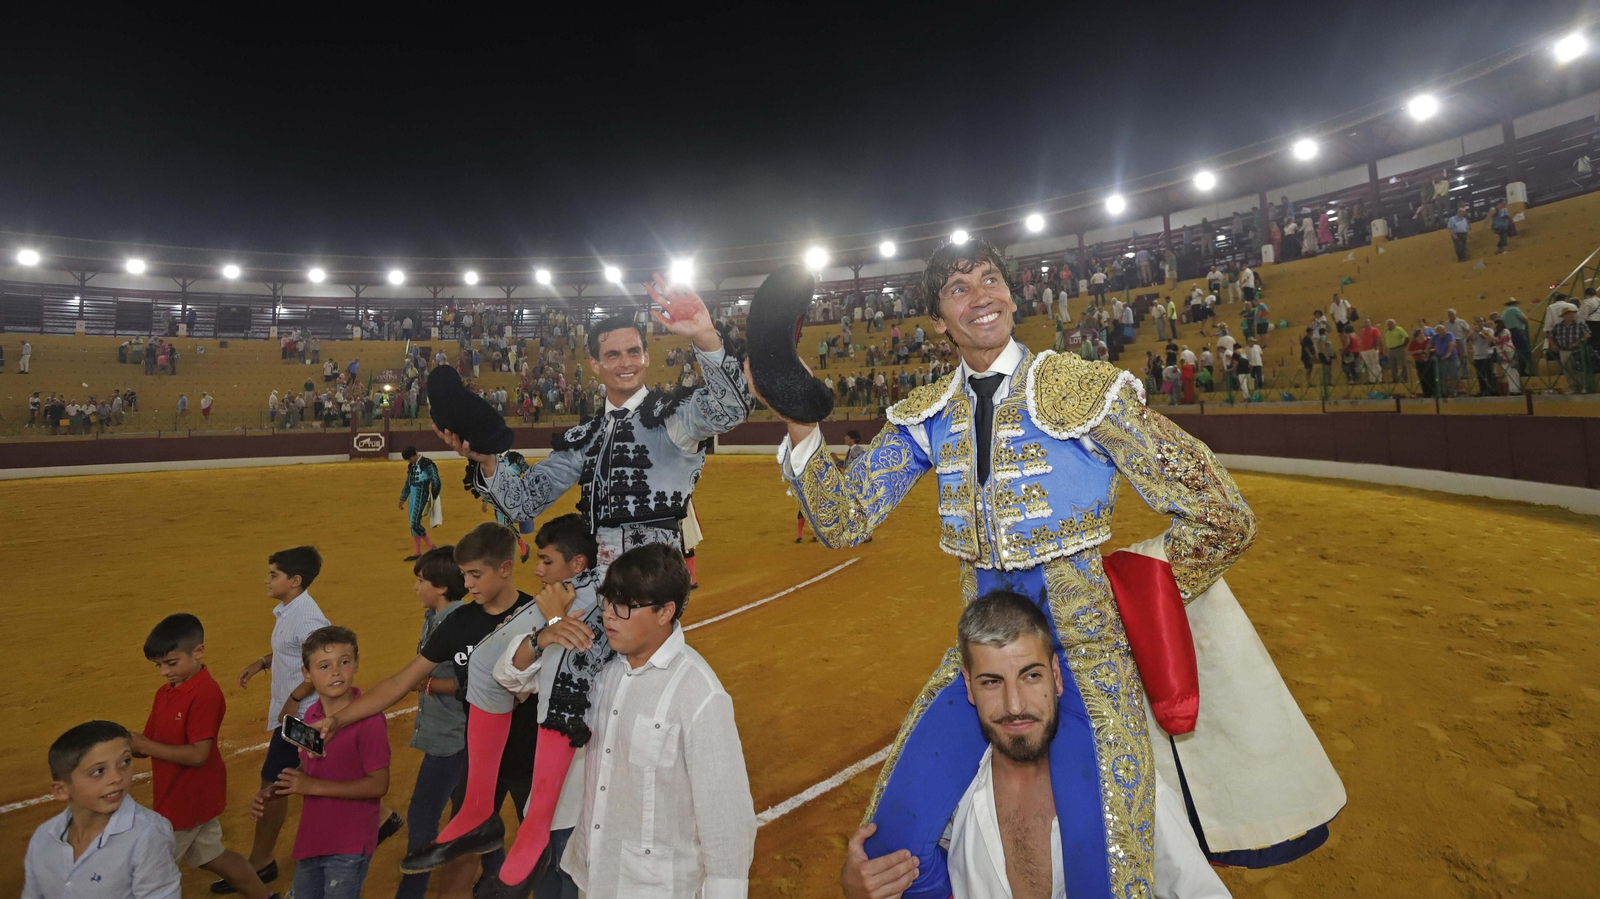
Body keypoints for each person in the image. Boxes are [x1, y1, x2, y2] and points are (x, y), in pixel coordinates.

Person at [765, 239, 1325, 898]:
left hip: (1085, 659)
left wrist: (1133, 594)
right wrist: (801, 427)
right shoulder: (927, 416)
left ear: (1011, 294)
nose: (982, 296)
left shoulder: (1079, 392)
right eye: (959, 288)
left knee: (1102, 872)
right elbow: (842, 519)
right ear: (939, 320)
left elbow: (1223, 515)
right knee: (890, 853)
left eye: (991, 279)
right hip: (979, 665)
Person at [841, 590, 1228, 899]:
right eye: (992, 682)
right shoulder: (952, 799)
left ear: (1057, 678)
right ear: (969, 687)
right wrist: (861, 886)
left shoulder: (1126, 786)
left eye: (1031, 676)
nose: (1014, 706)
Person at [440, 275, 750, 575]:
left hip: (657, 580)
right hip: (599, 581)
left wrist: (706, 337)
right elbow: (525, 504)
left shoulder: (673, 416)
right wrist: (489, 463)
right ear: (595, 365)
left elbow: (731, 410)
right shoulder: (585, 438)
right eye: (613, 355)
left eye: (633, 352)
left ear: (646, 358)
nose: (625, 363)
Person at [311, 524, 547, 895]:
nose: (466, 584)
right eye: (464, 574)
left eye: (475, 575)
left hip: (534, 758)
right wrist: (340, 718)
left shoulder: (539, 616)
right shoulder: (460, 622)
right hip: (481, 758)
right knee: (461, 854)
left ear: (505, 568)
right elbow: (400, 681)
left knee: (542, 857)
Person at [558, 543, 756, 898]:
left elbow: (726, 821)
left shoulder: (699, 696)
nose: (608, 616)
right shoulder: (600, 670)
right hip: (592, 877)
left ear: (665, 612)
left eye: (623, 607)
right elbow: (514, 679)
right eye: (607, 602)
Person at [490, 514, 613, 899]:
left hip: (589, 795)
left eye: (547, 561)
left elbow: (582, 674)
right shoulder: (547, 613)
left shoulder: (605, 613)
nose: (539, 570)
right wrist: (545, 634)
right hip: (555, 798)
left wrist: (557, 622)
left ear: (577, 564)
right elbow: (507, 674)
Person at [132, 614, 277, 899]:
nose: (163, 671)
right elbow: (147, 742)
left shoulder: (205, 694)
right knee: (213, 857)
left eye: (171, 663)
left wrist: (145, 747)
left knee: (150, 871)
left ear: (198, 651)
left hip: (187, 800)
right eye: (158, 665)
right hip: (180, 795)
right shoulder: (166, 692)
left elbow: (199, 755)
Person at [251, 626, 390, 899]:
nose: (336, 672)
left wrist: (312, 787)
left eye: (345, 662)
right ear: (307, 674)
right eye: (324, 666)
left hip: (349, 843)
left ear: (357, 663)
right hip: (312, 839)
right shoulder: (312, 714)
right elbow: (307, 770)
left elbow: (378, 785)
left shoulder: (370, 721)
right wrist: (275, 790)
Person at [226, 546, 330, 894]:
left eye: (274, 574)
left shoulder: (308, 618)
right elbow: (296, 650)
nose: (267, 580)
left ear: (294, 581)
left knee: (274, 780)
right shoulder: (291, 610)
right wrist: (263, 662)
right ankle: (382, 818)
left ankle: (260, 862)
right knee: (322, 771)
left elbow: (326, 662)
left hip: (301, 717)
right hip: (294, 713)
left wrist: (296, 698)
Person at [23, 721, 182, 899]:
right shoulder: (42, 837)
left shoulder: (148, 837)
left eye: (125, 761)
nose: (116, 777)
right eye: (98, 771)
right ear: (62, 791)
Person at [394, 548, 472, 899]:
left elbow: (467, 683)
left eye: (421, 580)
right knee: (468, 815)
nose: (415, 587)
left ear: (441, 587)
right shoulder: (434, 616)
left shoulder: (456, 624)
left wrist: (422, 683)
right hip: (453, 735)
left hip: (451, 738)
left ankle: (411, 893)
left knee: (423, 816)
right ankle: (492, 882)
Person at [400, 447, 443, 561]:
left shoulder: (427, 464)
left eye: (409, 459)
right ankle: (417, 551)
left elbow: (436, 481)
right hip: (413, 494)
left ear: (414, 455)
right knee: (412, 522)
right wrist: (403, 498)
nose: (409, 462)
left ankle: (431, 546)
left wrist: (433, 497)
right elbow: (408, 483)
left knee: (414, 523)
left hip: (421, 493)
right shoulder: (412, 466)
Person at [1550, 305, 1591, 394]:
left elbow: (1587, 334)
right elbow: (1551, 336)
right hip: (1563, 350)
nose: (1572, 315)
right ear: (1564, 316)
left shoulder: (1580, 324)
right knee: (1568, 370)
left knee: (1580, 369)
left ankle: (1584, 386)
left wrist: (1577, 343)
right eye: (1569, 314)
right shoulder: (1558, 326)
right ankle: (1572, 387)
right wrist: (1554, 345)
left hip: (1578, 350)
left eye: (1573, 313)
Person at [1383, 318, 1410, 384]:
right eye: (1388, 324)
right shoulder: (1386, 331)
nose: (1390, 325)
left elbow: (1407, 338)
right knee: (1393, 365)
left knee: (1403, 364)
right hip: (1391, 350)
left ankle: (1404, 378)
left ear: (1394, 324)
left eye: (1391, 323)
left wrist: (1403, 346)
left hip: (1399, 348)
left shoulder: (1399, 329)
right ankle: (1395, 379)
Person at [1357, 318, 1383, 383]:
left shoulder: (1375, 330)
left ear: (1370, 323)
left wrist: (1375, 347)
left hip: (1372, 349)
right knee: (1369, 365)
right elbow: (1360, 340)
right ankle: (1372, 380)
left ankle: (1379, 379)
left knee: (1375, 364)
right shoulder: (1362, 331)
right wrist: (1360, 350)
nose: (1366, 324)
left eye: (1367, 322)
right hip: (1364, 350)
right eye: (1365, 322)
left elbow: (1378, 338)